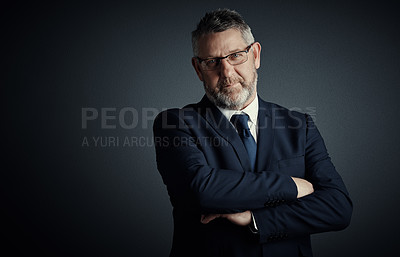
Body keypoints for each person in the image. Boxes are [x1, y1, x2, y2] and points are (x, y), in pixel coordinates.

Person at [153, 9, 352, 257]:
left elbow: (337, 208)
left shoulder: (299, 126)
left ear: (255, 55)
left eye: (236, 55)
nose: (226, 72)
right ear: (198, 68)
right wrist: (291, 186)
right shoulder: (175, 123)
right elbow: (201, 190)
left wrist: (254, 219)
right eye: (212, 62)